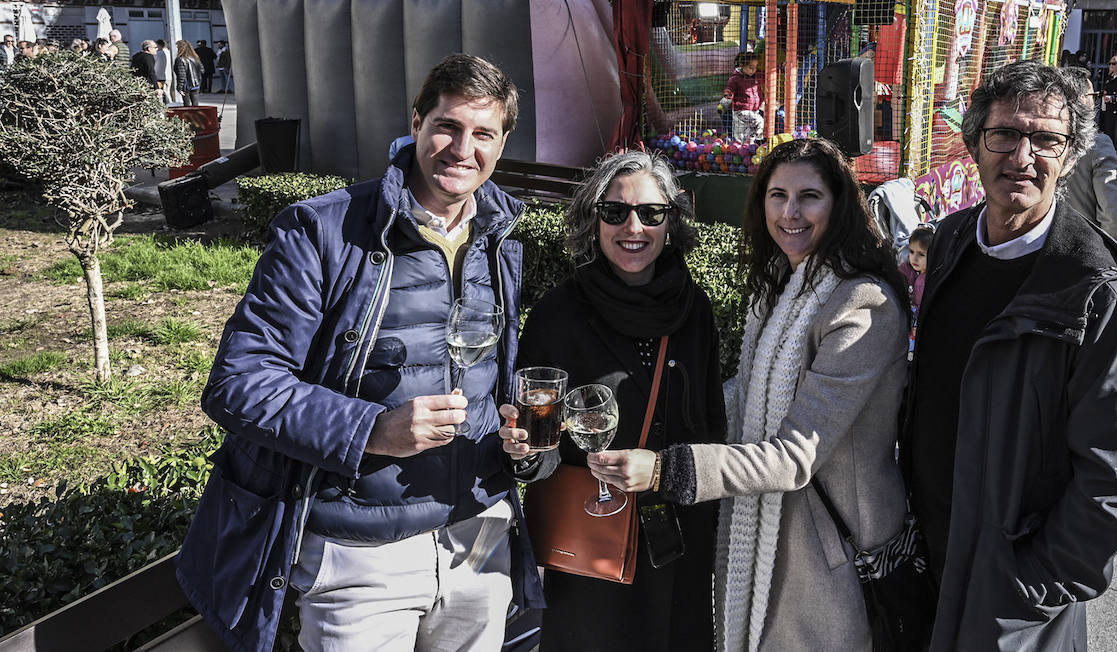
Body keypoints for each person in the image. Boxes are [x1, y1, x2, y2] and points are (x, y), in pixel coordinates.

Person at [177, 54, 545, 652]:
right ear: (416, 122)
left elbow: (493, 380)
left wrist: (520, 446)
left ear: (503, 144)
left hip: (478, 536)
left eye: (483, 134)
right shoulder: (322, 230)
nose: (462, 150)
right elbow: (239, 382)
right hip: (359, 552)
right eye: (447, 127)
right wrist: (372, 429)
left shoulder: (500, 238)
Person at [590, 138, 910, 651]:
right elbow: (750, 392)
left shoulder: (863, 305)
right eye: (777, 195)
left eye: (809, 196)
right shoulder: (781, 286)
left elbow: (794, 456)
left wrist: (668, 469)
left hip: (832, 557)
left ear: (840, 204)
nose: (789, 213)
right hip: (775, 536)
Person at [904, 60, 1117, 649]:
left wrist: (1029, 587)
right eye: (1004, 134)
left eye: (1046, 140)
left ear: (1069, 158)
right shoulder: (950, 241)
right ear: (975, 144)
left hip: (1008, 590)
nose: (1022, 156)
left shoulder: (1098, 291)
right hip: (928, 553)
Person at [502, 151, 725, 652]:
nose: (634, 227)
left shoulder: (694, 309)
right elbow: (540, 443)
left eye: (651, 212)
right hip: (593, 545)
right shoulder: (559, 313)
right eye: (615, 211)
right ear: (593, 219)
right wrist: (526, 455)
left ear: (671, 222)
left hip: (678, 541)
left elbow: (712, 427)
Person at [1060, 67, 1117, 249]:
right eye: (1093, 95)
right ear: (1083, 98)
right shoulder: (1097, 144)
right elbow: (1113, 213)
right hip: (1085, 247)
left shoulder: (1036, 140)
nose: (1095, 101)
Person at [720, 51, 763, 142]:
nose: (754, 70)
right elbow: (730, 88)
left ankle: (747, 145)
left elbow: (769, 73)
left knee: (743, 136)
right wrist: (727, 96)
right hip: (741, 111)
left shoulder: (756, 76)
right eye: (751, 67)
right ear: (742, 66)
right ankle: (759, 140)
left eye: (755, 67)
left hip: (753, 111)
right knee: (759, 121)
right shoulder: (735, 79)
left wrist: (781, 67)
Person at [901, 224, 933, 320]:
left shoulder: (929, 280)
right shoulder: (908, 270)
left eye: (921, 254)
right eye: (911, 252)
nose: (914, 258)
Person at [173, 39, 204, 107]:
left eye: (178, 47)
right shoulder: (195, 57)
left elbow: (181, 74)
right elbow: (202, 70)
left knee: (187, 106)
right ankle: (196, 114)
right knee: (195, 105)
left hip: (186, 85)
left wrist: (179, 87)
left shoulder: (180, 59)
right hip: (196, 84)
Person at [154, 38, 174, 105]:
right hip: (169, 76)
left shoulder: (158, 53)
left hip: (160, 76)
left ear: (159, 45)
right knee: (168, 92)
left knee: (164, 93)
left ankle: (169, 105)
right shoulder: (170, 53)